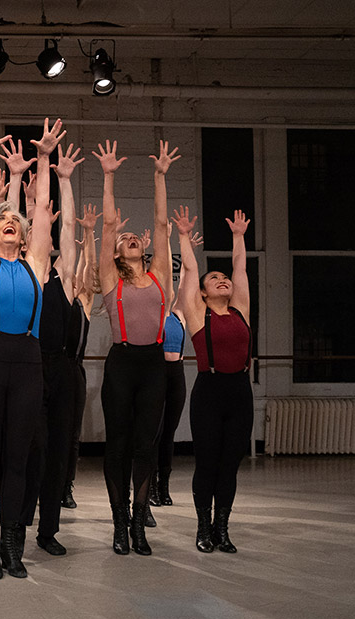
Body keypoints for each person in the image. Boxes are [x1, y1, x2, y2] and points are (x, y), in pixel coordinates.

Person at [0, 115, 63, 579]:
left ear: (24, 236)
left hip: (28, 362)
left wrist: (44, 159)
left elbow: (42, 209)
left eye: (13, 223)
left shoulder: (37, 263)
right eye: (2, 222)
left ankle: (12, 544)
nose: (6, 224)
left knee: (18, 458)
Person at [95, 140, 178, 556]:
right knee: (119, 444)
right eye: (124, 238)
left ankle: (139, 520)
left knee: (146, 444)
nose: (129, 236)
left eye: (134, 237)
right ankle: (117, 524)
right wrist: (108, 176)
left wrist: (160, 176)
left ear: (143, 251)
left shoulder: (160, 274)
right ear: (116, 253)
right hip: (122, 363)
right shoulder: (112, 280)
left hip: (153, 365)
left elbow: (161, 225)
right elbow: (109, 226)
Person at [173, 206, 253, 554]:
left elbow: (241, 268)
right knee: (207, 462)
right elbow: (191, 270)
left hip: (239, 393)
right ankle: (203, 527)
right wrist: (184, 237)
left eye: (224, 278)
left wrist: (238, 236)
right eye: (213, 279)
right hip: (210, 392)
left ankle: (223, 528)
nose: (222, 279)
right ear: (203, 293)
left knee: (230, 463)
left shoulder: (240, 311)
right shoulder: (197, 314)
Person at [21, 142, 86, 558]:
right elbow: (38, 227)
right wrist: (30, 203)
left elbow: (65, 232)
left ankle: (48, 530)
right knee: (32, 449)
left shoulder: (62, 276)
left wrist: (64, 180)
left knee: (59, 449)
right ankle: (19, 521)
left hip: (61, 369)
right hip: (30, 365)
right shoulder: (24, 273)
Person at [150, 227, 203, 511]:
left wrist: (185, 249)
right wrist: (167, 241)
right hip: (156, 374)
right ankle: (151, 485)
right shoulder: (154, 311)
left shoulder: (180, 313)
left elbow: (186, 279)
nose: (170, 292)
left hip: (177, 374)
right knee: (155, 432)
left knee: (168, 433)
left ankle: (164, 486)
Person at [61, 205, 100, 510]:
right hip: (49, 368)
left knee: (71, 436)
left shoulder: (83, 302)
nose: (74, 279)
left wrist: (88, 235)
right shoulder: (52, 298)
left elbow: (89, 271)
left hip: (73, 372)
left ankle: (66, 486)